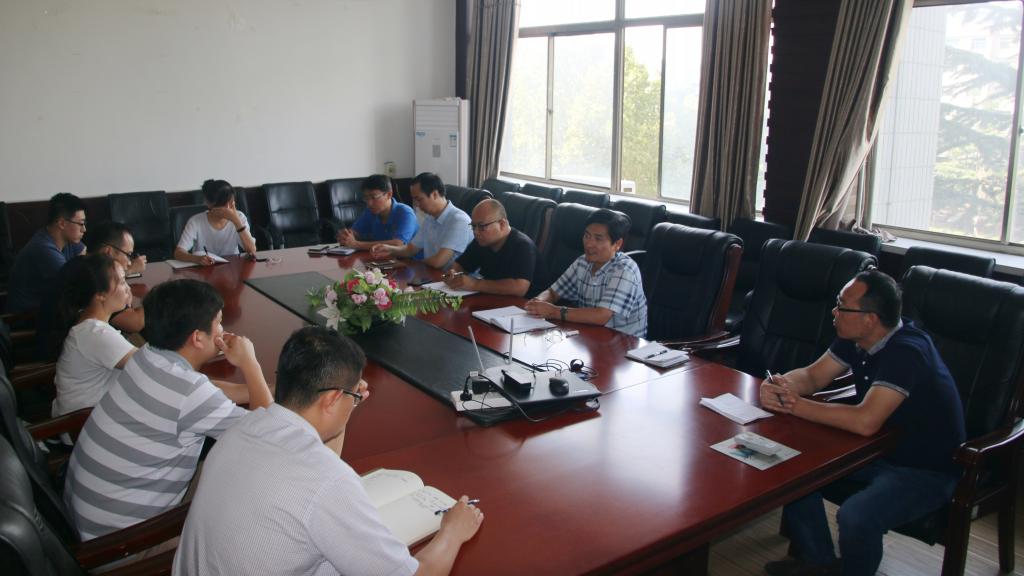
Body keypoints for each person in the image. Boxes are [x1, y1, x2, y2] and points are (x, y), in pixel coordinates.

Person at [172, 326, 483, 576]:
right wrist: (452, 532)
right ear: (332, 399)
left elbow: (319, 456)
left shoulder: (244, 427)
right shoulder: (328, 482)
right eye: (352, 395)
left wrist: (346, 403)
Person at [760, 270, 965, 576]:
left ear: (869, 319)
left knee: (856, 516)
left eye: (841, 306)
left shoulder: (907, 351)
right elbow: (814, 376)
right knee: (791, 470)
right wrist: (780, 384)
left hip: (926, 470)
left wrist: (796, 405)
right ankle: (819, 563)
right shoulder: (857, 337)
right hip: (877, 451)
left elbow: (865, 421)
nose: (834, 311)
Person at [64, 278, 273, 540]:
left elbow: (201, 390)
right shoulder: (190, 394)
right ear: (197, 338)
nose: (222, 330)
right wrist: (250, 364)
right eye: (219, 322)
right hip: (121, 542)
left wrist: (266, 388)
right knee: (251, 488)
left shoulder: (147, 355)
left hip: (86, 514)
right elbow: (270, 437)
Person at [525, 209, 647, 338]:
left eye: (598, 239)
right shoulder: (583, 262)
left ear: (617, 244)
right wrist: (538, 303)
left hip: (625, 342)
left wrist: (553, 311)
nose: (589, 244)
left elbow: (601, 316)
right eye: (587, 236)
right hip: (590, 335)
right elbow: (553, 292)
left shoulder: (625, 270)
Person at [52, 253, 135, 417]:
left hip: (83, 417)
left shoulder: (86, 322)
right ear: (100, 294)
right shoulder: (97, 334)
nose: (128, 288)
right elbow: (149, 364)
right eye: (122, 282)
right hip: (82, 424)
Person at [6, 192, 87, 314]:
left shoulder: (69, 239)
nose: (84, 229)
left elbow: (88, 261)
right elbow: (77, 282)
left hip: (52, 308)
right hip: (28, 316)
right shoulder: (43, 248)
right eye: (81, 223)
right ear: (62, 223)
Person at [371, 172, 472, 269]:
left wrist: (409, 264)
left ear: (434, 194)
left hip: (452, 278)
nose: (416, 205)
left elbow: (438, 262)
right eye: (414, 200)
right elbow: (410, 249)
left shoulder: (459, 220)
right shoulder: (430, 218)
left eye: (419, 199)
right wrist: (389, 249)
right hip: (432, 273)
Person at [442, 198, 541, 297]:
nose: (476, 232)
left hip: (526, 303)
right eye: (473, 226)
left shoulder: (523, 246)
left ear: (502, 224)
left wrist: (475, 284)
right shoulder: (482, 241)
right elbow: (460, 265)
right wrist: (453, 274)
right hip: (494, 298)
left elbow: (519, 288)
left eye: (482, 226)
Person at [174, 179, 257, 264]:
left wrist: (236, 221)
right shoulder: (195, 221)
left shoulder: (239, 217)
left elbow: (252, 250)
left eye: (231, 202)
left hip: (232, 266)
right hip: (205, 268)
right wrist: (197, 259)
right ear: (208, 203)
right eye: (223, 204)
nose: (228, 208)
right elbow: (178, 253)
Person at [84, 221, 146, 333]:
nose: (129, 262)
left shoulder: (84, 265)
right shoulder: (92, 278)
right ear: (108, 252)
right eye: (128, 255)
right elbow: (135, 323)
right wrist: (158, 298)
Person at [337, 174, 418, 250]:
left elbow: (398, 244)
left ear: (389, 194)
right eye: (366, 198)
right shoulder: (370, 211)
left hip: (410, 260)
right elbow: (356, 233)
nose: (369, 203)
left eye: (374, 197)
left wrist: (357, 244)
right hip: (383, 258)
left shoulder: (405, 213)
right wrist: (346, 236)